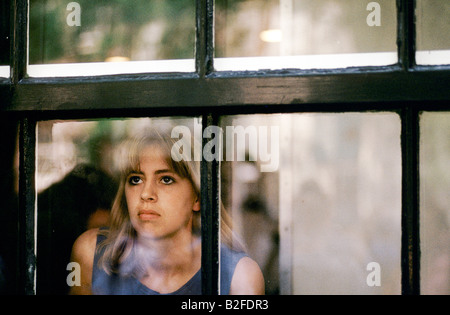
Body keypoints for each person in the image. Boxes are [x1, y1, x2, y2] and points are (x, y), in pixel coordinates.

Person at [70, 130, 264, 295]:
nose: (146, 194)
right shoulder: (92, 254)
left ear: (197, 197)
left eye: (166, 180)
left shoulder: (238, 276)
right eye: (136, 180)